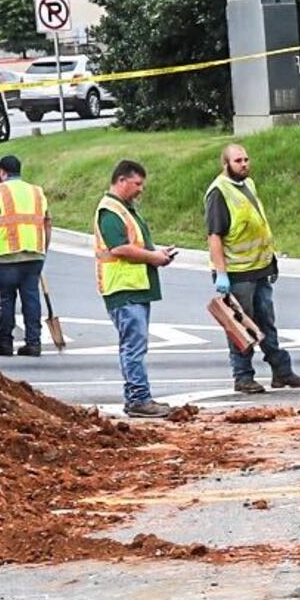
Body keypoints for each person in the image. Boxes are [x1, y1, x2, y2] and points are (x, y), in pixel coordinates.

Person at [203, 141, 300, 394]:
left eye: (246, 159)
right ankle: (243, 376)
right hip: (237, 273)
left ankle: (281, 372)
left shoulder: (248, 184)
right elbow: (215, 236)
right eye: (238, 161)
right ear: (225, 164)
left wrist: (271, 261)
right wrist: (221, 274)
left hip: (260, 268)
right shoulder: (219, 192)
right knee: (240, 327)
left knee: (266, 321)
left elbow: (257, 224)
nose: (244, 164)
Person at [93, 157, 178, 418]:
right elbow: (119, 248)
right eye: (137, 183)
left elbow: (134, 243)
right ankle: (138, 399)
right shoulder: (111, 210)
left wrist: (156, 252)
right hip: (124, 288)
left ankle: (138, 397)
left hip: (134, 287)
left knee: (134, 345)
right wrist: (154, 257)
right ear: (121, 180)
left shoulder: (124, 208)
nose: (141, 189)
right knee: (133, 346)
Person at [0, 153, 52, 359]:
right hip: (34, 256)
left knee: (6, 300)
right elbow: (47, 223)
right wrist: (43, 249)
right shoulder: (37, 192)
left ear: (2, 172)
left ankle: (5, 343)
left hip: (6, 257)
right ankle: (34, 343)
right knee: (31, 299)